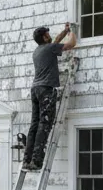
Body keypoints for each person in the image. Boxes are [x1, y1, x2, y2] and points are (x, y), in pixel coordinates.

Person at [23, 22, 78, 170]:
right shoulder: (49, 49)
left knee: (34, 124)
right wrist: (72, 31)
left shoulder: (38, 51)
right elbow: (71, 44)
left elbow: (55, 42)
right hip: (45, 90)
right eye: (47, 33)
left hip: (35, 89)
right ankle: (36, 160)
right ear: (44, 36)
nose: (50, 35)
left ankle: (27, 159)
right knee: (44, 123)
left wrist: (64, 31)